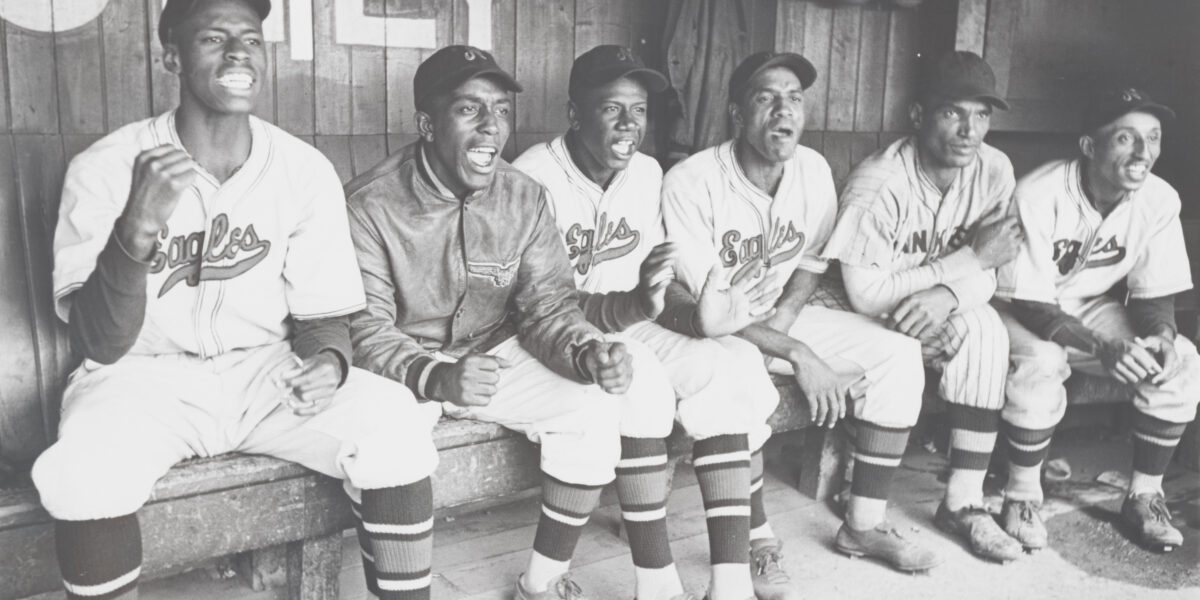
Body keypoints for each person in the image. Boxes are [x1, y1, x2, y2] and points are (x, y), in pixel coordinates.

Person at [31, 1, 443, 599]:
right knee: (81, 478)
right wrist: (137, 228)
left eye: (250, 40)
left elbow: (325, 313)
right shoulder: (106, 167)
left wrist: (328, 365)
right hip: (141, 378)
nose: (237, 54)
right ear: (171, 56)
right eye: (214, 39)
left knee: (396, 426)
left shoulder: (302, 168)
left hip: (265, 374)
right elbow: (100, 341)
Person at [344, 45, 680, 600]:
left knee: (593, 405)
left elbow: (547, 305)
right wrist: (434, 375)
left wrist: (585, 352)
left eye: (500, 110)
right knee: (386, 446)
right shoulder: (370, 204)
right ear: (427, 123)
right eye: (469, 110)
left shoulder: (523, 196)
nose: (491, 128)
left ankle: (539, 584)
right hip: (403, 367)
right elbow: (364, 327)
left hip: (492, 354)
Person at [513, 44, 795, 600]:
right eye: (611, 108)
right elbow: (535, 306)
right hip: (554, 329)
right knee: (640, 376)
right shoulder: (532, 177)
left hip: (626, 318)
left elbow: (651, 293)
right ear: (574, 113)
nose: (628, 125)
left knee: (732, 363)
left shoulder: (644, 173)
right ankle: (658, 584)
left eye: (639, 110)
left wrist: (700, 320)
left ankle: (731, 582)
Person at [660, 50, 941, 573]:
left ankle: (863, 525)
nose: (782, 111)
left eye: (793, 98)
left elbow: (812, 261)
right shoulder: (691, 181)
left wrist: (787, 327)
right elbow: (712, 308)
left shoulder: (811, 169)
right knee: (738, 375)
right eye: (765, 98)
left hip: (780, 317)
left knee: (897, 354)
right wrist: (796, 353)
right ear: (738, 115)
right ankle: (757, 538)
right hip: (711, 327)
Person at [821, 51, 1030, 562]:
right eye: (953, 112)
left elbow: (997, 273)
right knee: (900, 344)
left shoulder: (994, 169)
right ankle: (864, 500)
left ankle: (963, 503)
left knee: (985, 330)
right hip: (852, 308)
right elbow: (866, 293)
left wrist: (950, 294)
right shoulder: (879, 182)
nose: (969, 130)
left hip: (929, 305)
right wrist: (967, 262)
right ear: (918, 115)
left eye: (981, 114)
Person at [995, 86, 1200, 552]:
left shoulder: (1159, 199)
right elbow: (1028, 300)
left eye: (1153, 137)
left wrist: (1163, 335)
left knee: (1181, 360)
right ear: (1090, 146)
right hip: (1017, 305)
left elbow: (1154, 292)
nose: (1144, 152)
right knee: (1043, 362)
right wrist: (1102, 346)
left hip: (1086, 305)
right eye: (1126, 138)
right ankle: (1021, 497)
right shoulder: (1038, 192)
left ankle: (1145, 496)